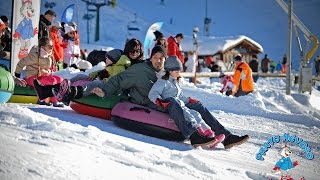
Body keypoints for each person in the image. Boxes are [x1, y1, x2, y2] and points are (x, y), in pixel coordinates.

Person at [34, 46, 249, 149]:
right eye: (156, 57)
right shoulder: (138, 71)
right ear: (151, 57)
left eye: (162, 59)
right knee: (173, 102)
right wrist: (103, 89)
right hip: (146, 103)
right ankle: (193, 136)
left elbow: (172, 88)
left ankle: (227, 137)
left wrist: (186, 99)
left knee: (197, 103)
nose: (159, 61)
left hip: (163, 100)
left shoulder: (163, 71)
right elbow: (118, 82)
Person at [148, 56, 225, 147]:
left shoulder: (175, 82)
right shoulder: (162, 81)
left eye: (179, 71)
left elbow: (180, 97)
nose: (179, 73)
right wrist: (159, 101)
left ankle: (210, 134)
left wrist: (189, 100)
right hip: (170, 106)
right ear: (170, 71)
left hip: (181, 105)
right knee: (191, 117)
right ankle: (200, 135)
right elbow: (152, 94)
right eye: (177, 71)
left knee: (196, 114)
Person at [14, 37, 64, 107]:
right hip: (32, 78)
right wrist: (17, 76)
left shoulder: (49, 56)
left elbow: (50, 70)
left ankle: (55, 100)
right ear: (42, 47)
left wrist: (47, 72)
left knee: (60, 80)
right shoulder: (34, 55)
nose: (51, 48)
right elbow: (21, 63)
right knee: (52, 80)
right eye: (49, 46)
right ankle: (43, 100)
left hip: (43, 77)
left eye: (52, 46)